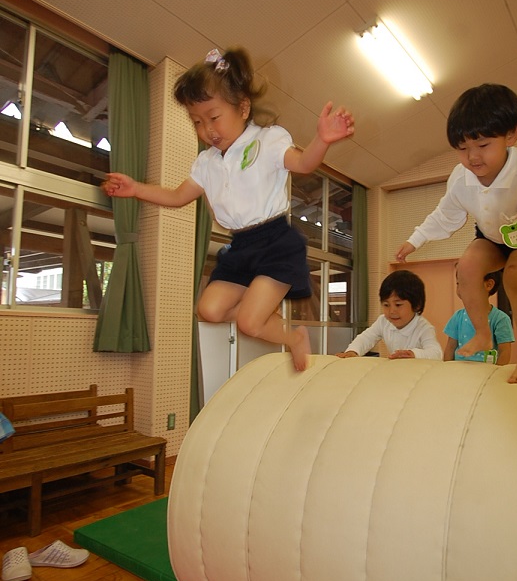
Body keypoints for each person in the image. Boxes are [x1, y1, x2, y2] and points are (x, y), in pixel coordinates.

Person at [103, 47, 354, 372]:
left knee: (250, 323)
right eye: (197, 121)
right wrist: (136, 189)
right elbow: (179, 196)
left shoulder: (267, 141)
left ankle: (293, 338)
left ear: (243, 107)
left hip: (275, 243)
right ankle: (264, 313)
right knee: (208, 310)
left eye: (214, 117)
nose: (208, 129)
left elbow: (304, 163)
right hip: (240, 246)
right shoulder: (206, 162)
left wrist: (323, 140)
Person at [395, 83, 517, 384]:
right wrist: (414, 240)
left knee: (516, 275)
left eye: (482, 146)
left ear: (511, 135)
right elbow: (446, 214)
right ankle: (483, 334)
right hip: (493, 235)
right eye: (462, 149)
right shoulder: (461, 178)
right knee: (467, 267)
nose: (472, 158)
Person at [336, 269, 442, 360]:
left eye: (398, 305)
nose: (391, 311)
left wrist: (413, 354)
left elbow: (436, 353)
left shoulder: (423, 328)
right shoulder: (383, 321)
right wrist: (353, 351)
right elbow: (366, 338)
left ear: (417, 305)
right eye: (386, 305)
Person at [444, 270, 514, 365]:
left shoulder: (500, 319)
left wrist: (495, 374)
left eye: (466, 284)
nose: (460, 289)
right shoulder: (458, 316)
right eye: (458, 284)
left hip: (486, 371)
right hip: (459, 370)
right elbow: (450, 348)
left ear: (489, 285)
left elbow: (505, 352)